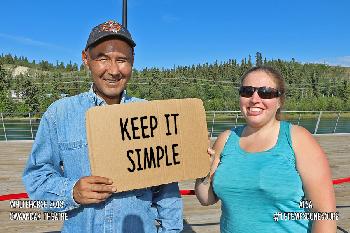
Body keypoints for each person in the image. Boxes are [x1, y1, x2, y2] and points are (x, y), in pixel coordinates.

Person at [22, 20, 183, 233]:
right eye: (103, 58)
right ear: (86, 59)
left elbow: (167, 191)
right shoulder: (59, 114)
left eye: (122, 60)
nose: (114, 70)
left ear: (133, 61)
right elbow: (36, 179)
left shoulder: (149, 114)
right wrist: (71, 192)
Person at [195, 66, 337, 232]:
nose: (255, 99)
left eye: (266, 92)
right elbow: (206, 198)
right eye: (247, 91)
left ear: (279, 101)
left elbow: (324, 212)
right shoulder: (225, 139)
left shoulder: (298, 139)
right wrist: (202, 172)